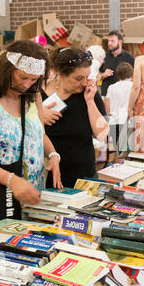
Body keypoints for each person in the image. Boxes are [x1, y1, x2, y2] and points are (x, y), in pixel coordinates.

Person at [0, 40, 62, 238]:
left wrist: (52, 154)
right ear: (7, 69)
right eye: (23, 77)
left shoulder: (33, 96)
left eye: (34, 79)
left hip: (32, 195)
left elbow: (39, 134)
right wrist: (12, 181)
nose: (27, 84)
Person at [41, 46, 109, 188]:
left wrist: (90, 101)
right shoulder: (38, 95)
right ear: (60, 74)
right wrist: (38, 116)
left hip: (82, 175)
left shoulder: (88, 93)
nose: (84, 82)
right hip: (46, 172)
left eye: (87, 76)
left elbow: (102, 134)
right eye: (78, 78)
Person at [105, 61, 134, 152]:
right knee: (126, 151)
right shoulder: (133, 87)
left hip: (114, 121)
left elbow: (107, 105)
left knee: (115, 150)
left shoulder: (111, 87)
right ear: (131, 73)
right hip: (127, 121)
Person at [99, 30, 135, 96]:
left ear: (120, 42)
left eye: (112, 41)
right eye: (108, 41)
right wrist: (103, 75)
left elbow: (136, 76)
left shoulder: (130, 58)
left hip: (124, 96)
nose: (109, 43)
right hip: (106, 95)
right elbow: (97, 74)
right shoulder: (104, 57)